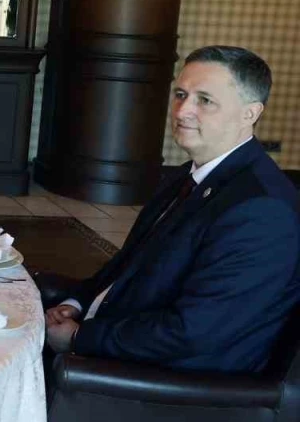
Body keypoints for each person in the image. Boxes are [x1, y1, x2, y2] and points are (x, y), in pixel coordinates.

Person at [43, 46, 300, 372]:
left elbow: (194, 333)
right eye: (181, 95)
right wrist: (76, 303)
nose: (182, 111)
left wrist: (80, 338)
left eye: (205, 100)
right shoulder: (185, 176)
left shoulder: (262, 210)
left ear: (250, 113)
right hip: (120, 334)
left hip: (169, 382)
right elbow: (128, 265)